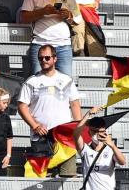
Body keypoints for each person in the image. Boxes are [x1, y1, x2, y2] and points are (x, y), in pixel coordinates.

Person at [17, 44, 82, 177]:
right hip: (41, 137)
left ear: (55, 59)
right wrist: (35, 125)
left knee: (68, 175)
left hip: (64, 137)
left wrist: (78, 129)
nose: (44, 61)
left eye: (47, 58)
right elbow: (22, 106)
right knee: (40, 177)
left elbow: (75, 104)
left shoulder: (66, 80)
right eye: (41, 58)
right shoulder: (32, 81)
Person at [19, 0, 79, 76]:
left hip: (63, 45)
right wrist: (43, 11)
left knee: (66, 82)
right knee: (38, 80)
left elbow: (78, 20)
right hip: (40, 43)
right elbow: (23, 18)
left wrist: (69, 16)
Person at [74, 108, 127, 190]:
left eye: (101, 131)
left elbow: (122, 162)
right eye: (95, 131)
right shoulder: (85, 149)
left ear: (105, 131)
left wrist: (112, 146)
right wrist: (88, 114)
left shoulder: (110, 149)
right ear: (89, 132)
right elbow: (76, 134)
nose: (98, 134)